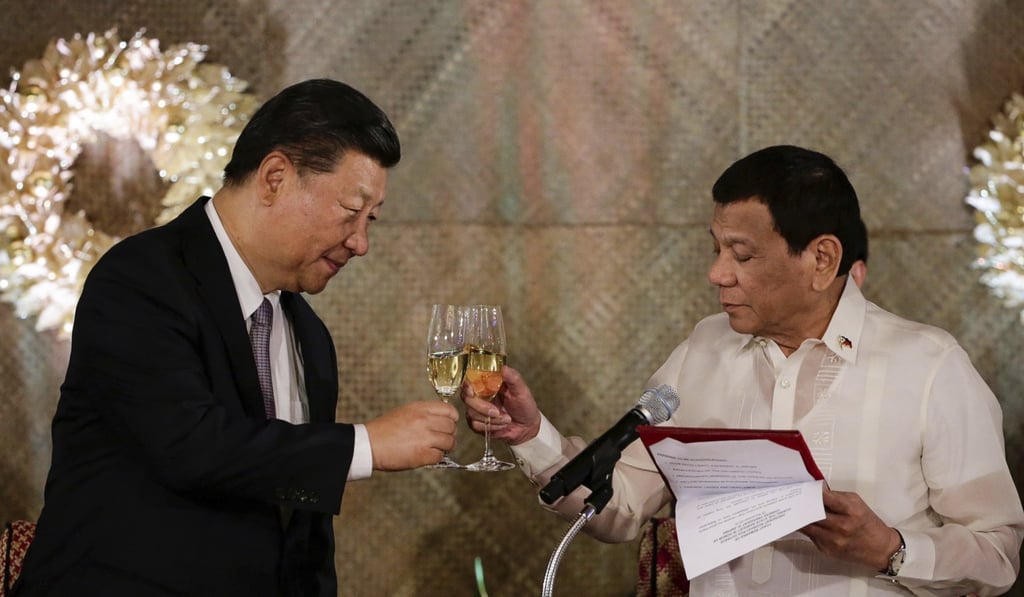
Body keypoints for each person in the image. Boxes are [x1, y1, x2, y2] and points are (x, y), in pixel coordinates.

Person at [463, 145, 1024, 595]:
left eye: (742, 254)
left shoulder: (928, 366)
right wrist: (534, 437)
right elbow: (622, 509)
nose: (717, 274)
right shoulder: (704, 348)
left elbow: (998, 554)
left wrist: (892, 549)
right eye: (716, 250)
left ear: (821, 259)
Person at [13, 79, 458, 596]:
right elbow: (191, 446)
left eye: (371, 220)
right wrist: (367, 445)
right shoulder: (141, 278)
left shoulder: (309, 336)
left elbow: (303, 539)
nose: (361, 242)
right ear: (275, 177)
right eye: (350, 212)